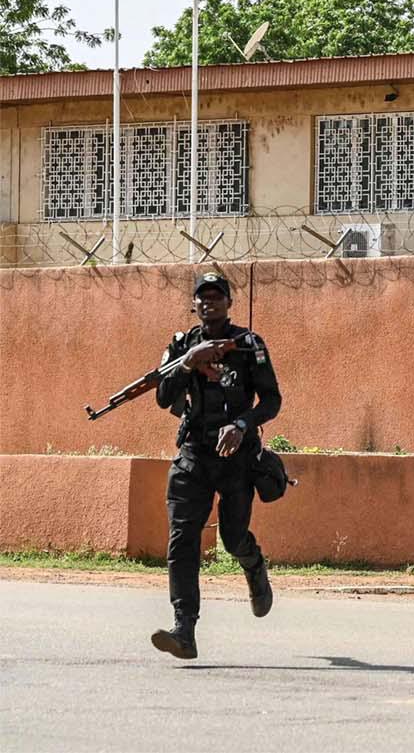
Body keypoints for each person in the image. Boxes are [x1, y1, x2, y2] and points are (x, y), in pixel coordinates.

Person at [150, 272, 282, 660]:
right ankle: (184, 629)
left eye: (217, 297)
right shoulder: (181, 345)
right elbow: (162, 397)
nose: (209, 303)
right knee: (182, 540)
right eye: (202, 298)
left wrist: (243, 425)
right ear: (194, 305)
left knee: (232, 537)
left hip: (236, 459)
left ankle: (254, 566)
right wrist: (187, 364)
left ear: (229, 303)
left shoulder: (248, 345)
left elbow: (272, 400)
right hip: (193, 455)